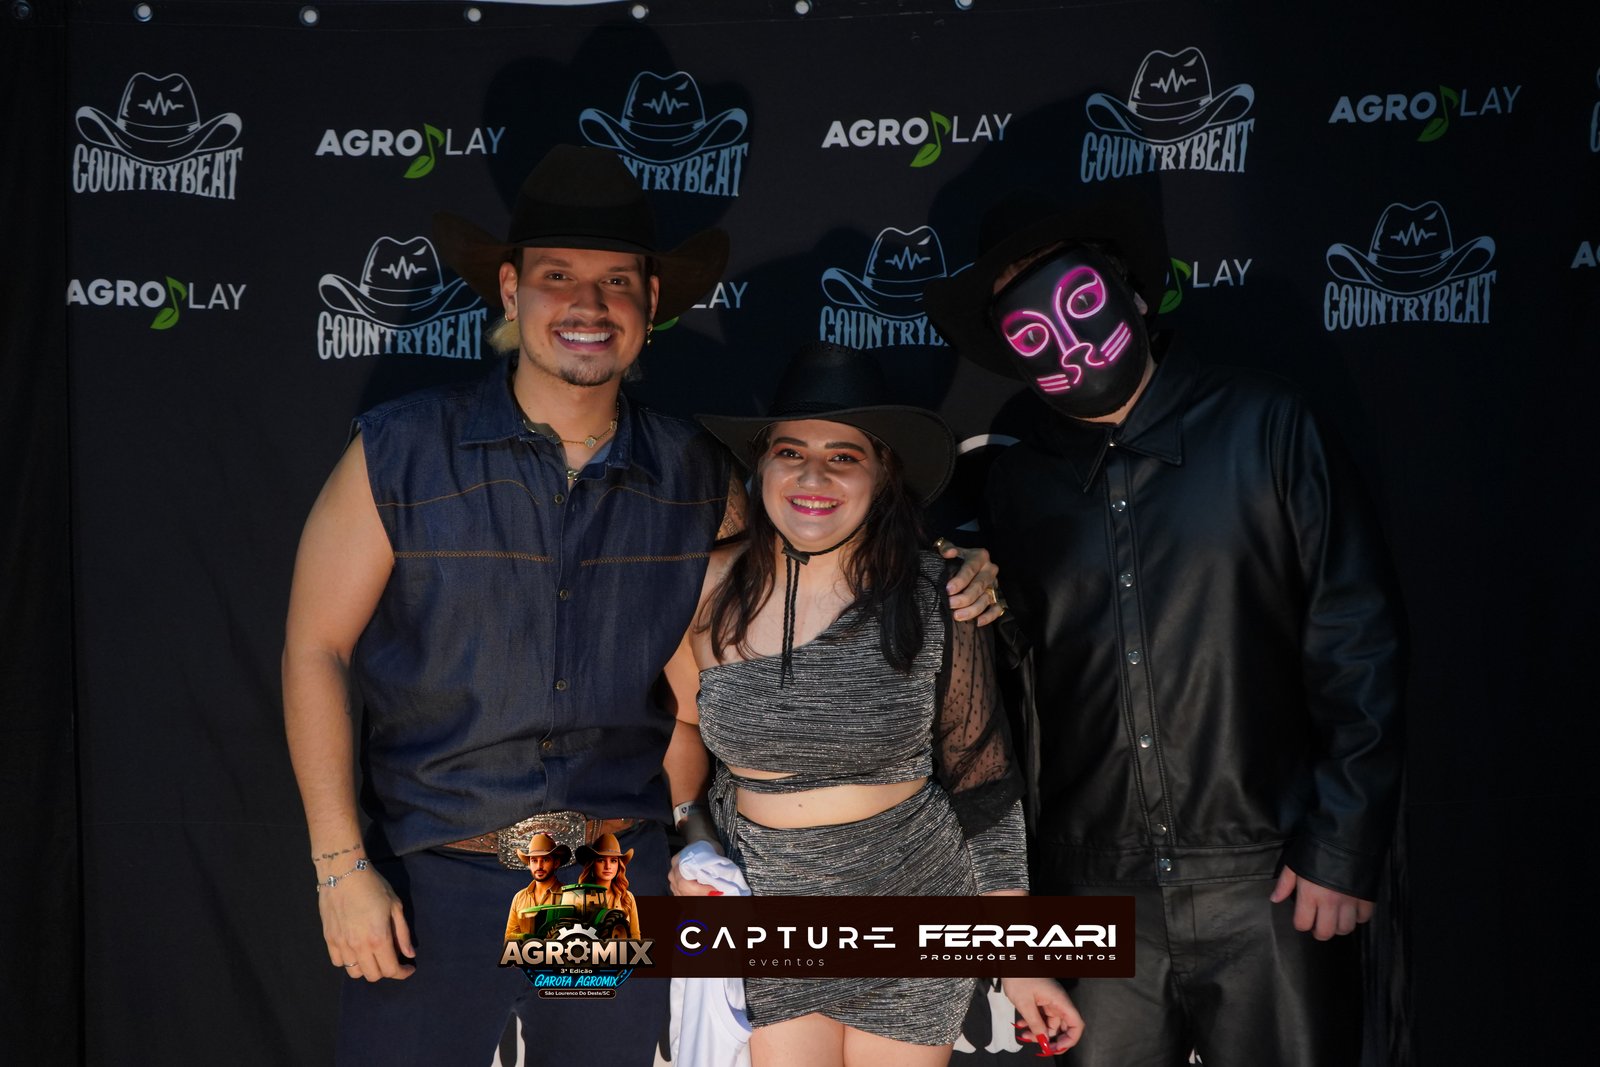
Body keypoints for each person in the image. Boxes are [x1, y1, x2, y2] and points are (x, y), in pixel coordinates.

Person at [281, 143, 1001, 1066]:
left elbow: (817, 556)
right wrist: (339, 866)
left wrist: (949, 567)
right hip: (434, 875)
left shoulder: (695, 472)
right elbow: (316, 648)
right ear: (511, 290)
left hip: (599, 878)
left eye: (617, 281)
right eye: (558, 276)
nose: (588, 304)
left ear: (651, 302)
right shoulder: (402, 449)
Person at [923, 188, 1407, 1066]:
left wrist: (1343, 841)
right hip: (1092, 889)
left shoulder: (1266, 425)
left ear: (1134, 292)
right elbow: (1016, 692)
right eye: (1028, 326)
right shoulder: (1016, 485)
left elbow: (1356, 638)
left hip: (1268, 877)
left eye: (1078, 297)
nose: (1070, 340)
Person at [666, 341, 1085, 1066]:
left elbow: (984, 784)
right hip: (768, 905)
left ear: (883, 471)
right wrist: (691, 834)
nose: (813, 477)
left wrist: (1019, 958)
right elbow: (680, 726)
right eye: (792, 452)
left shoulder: (937, 593)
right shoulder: (704, 591)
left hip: (913, 899)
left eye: (844, 456)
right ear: (762, 464)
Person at [571, 831, 642, 939]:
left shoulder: (627, 897)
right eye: (601, 860)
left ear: (619, 865)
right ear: (592, 864)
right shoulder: (579, 897)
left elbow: (635, 935)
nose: (608, 866)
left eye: (613, 861)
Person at [503, 833, 571, 941]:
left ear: (556, 863)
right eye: (534, 860)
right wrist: (527, 938)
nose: (539, 866)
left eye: (545, 860)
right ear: (529, 864)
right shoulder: (519, 898)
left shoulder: (570, 896)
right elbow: (509, 938)